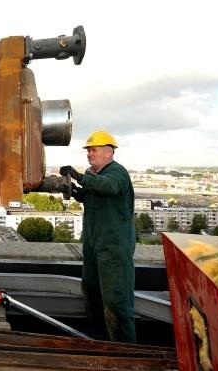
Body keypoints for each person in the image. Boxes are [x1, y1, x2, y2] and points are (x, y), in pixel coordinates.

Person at [60, 130, 136, 343]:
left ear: (108, 153)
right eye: (88, 150)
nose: (89, 154)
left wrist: (80, 177)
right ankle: (100, 344)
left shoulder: (117, 173)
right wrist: (72, 189)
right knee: (92, 295)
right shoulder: (94, 175)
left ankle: (126, 353)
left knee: (116, 302)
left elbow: (108, 187)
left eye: (93, 150)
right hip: (94, 246)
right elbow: (90, 195)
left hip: (114, 249)